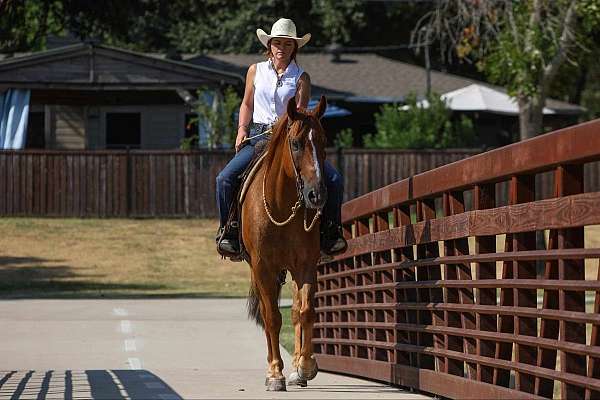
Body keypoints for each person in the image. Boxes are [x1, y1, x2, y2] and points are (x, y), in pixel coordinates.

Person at [215, 17, 347, 257]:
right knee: (224, 179)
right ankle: (229, 230)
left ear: (294, 48)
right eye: (277, 43)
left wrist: (285, 128)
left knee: (335, 179)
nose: (281, 49)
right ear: (270, 45)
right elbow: (246, 103)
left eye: (288, 45)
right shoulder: (255, 70)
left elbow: (298, 113)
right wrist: (241, 129)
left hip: (289, 140)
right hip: (258, 137)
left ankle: (331, 232)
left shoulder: (301, 77)